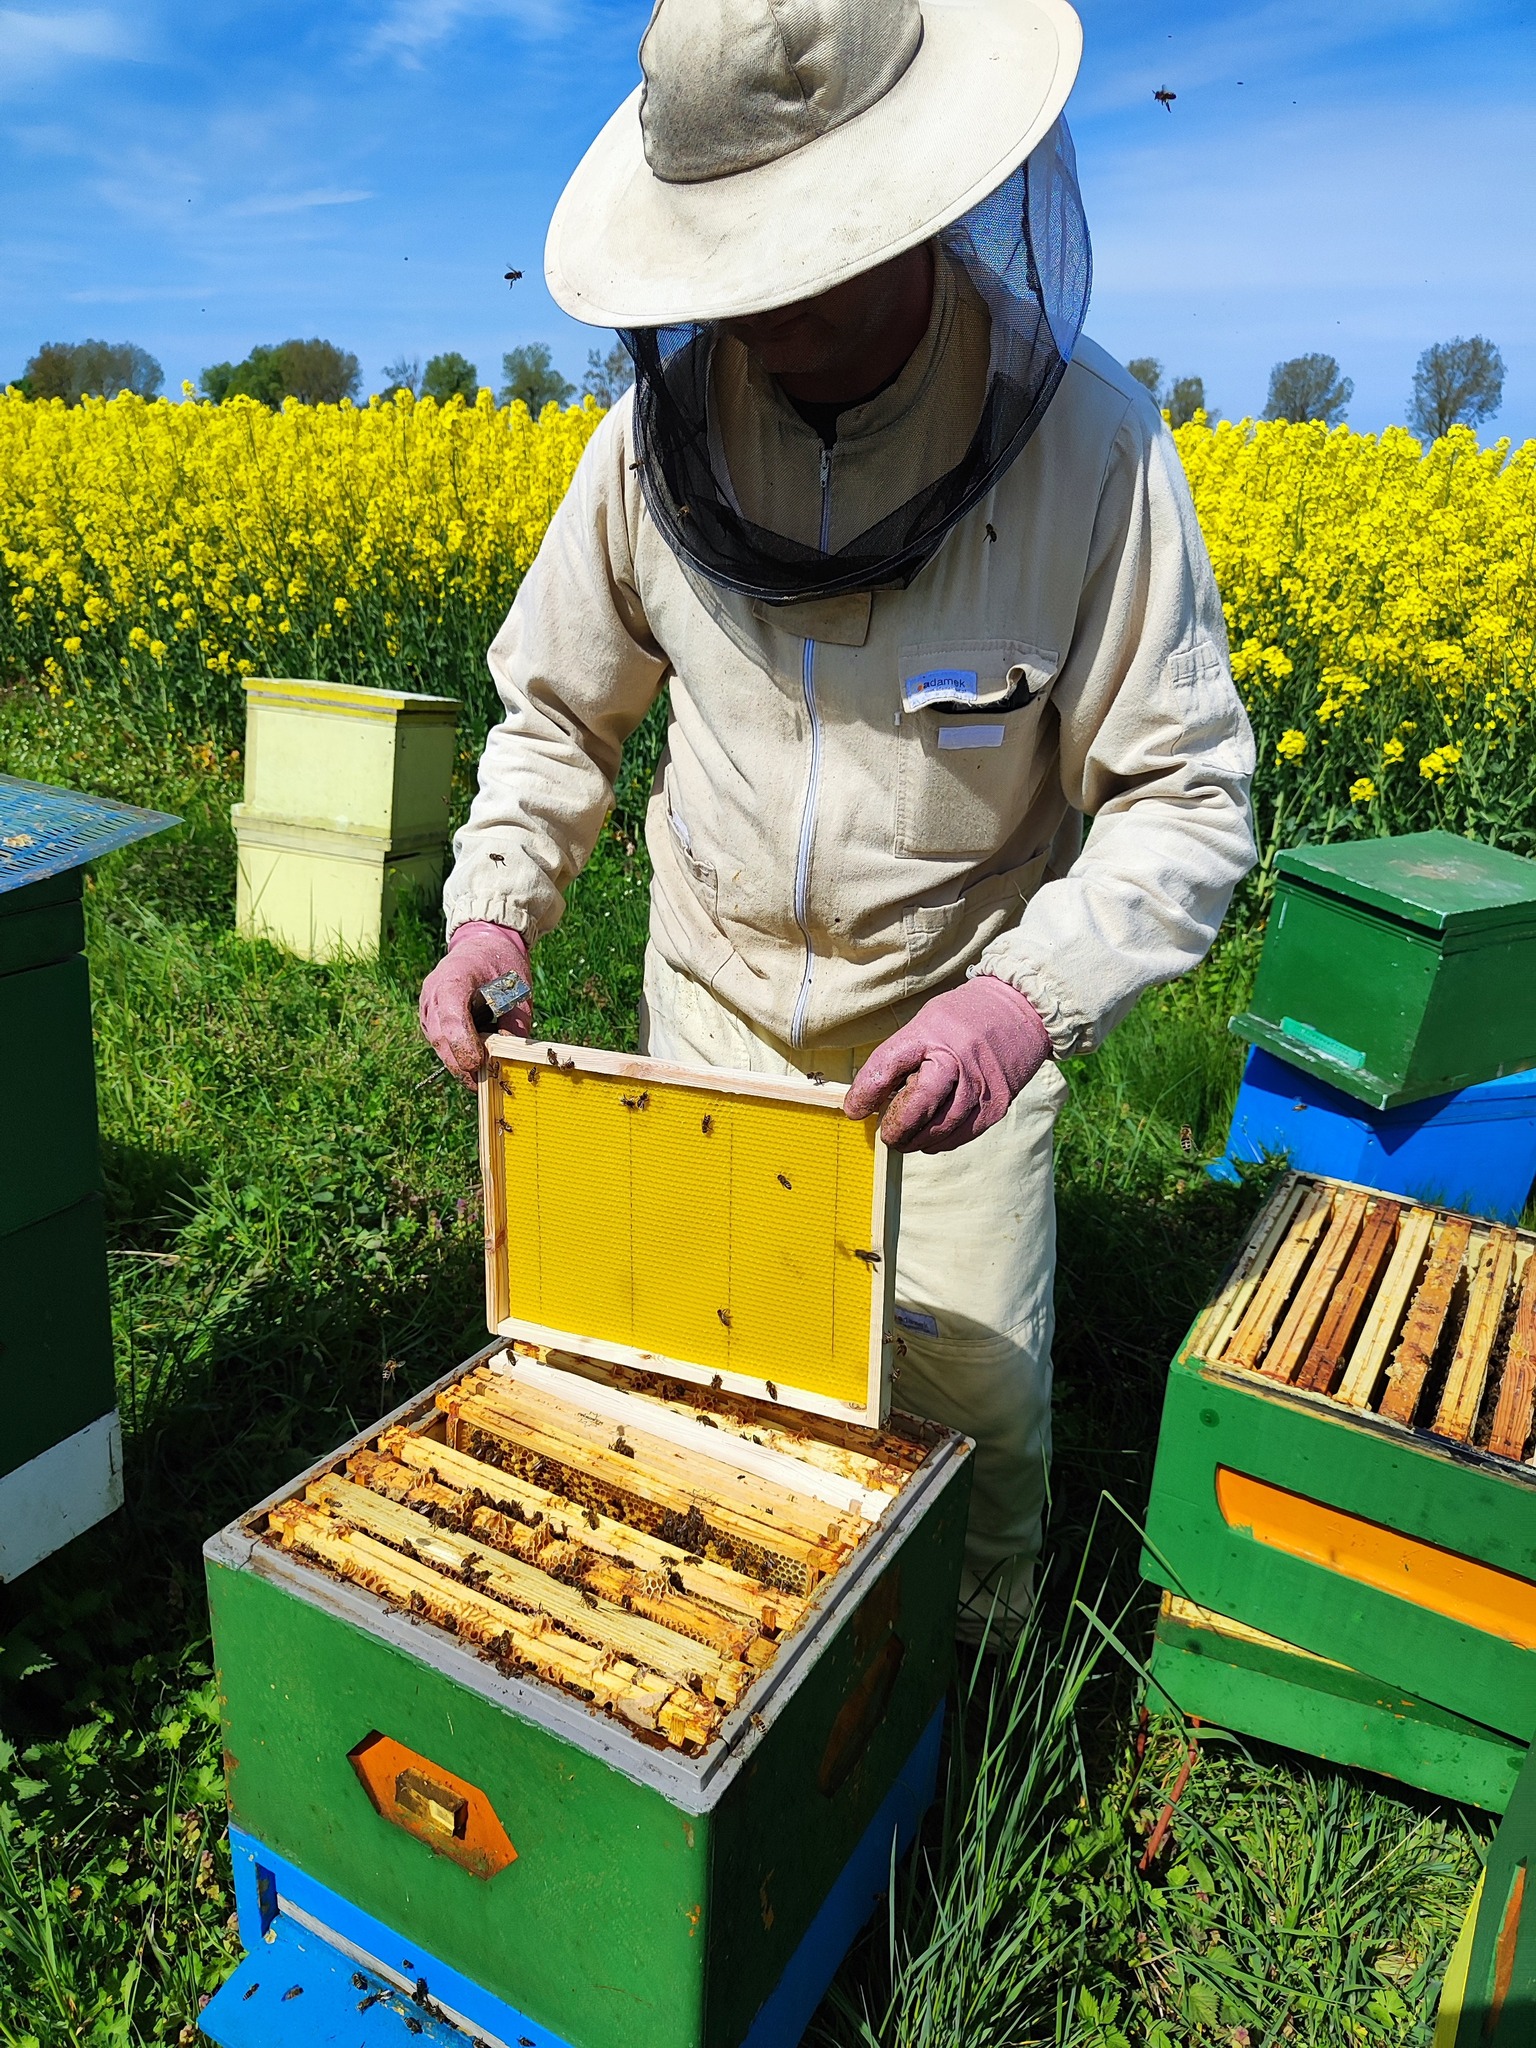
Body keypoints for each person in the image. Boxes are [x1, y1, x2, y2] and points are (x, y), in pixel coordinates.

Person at [420, 0, 1256, 1638]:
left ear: (925, 198)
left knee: (971, 1418)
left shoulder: (1093, 455)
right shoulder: (644, 446)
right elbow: (556, 712)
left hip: (952, 1019)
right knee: (692, 1387)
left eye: (801, 250)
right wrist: (492, 908)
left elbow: (1187, 791)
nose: (764, 306)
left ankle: (966, 1716)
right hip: (710, 999)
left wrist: (1025, 1004)